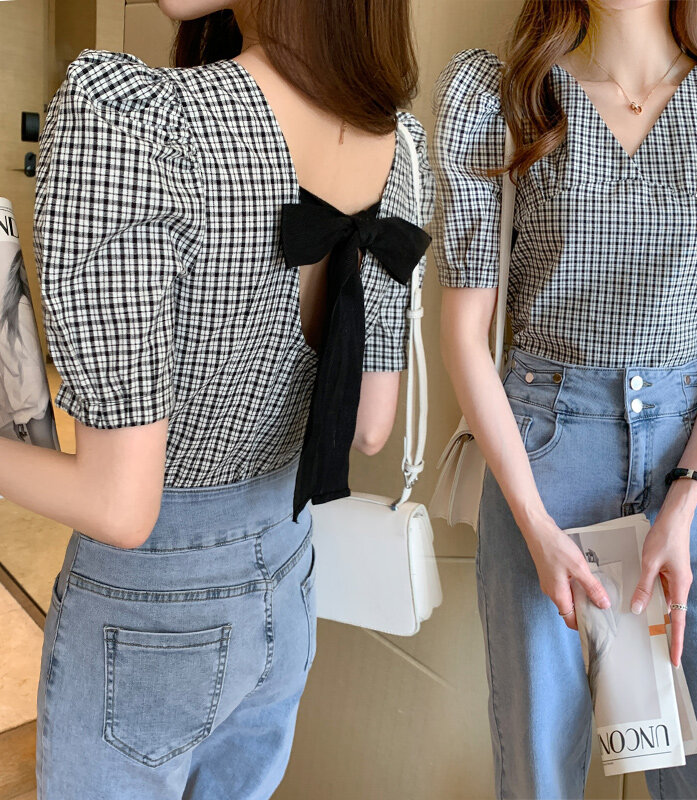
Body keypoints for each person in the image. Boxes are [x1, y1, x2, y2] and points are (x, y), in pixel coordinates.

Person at [0, 1, 433, 797]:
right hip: (288, 578)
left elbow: (121, 506)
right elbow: (370, 427)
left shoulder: (139, 121)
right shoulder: (398, 146)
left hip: (150, 613)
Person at [431, 0, 697, 797]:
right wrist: (533, 524)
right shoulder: (509, 100)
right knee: (538, 777)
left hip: (687, 460)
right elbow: (463, 335)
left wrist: (686, 496)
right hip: (540, 454)